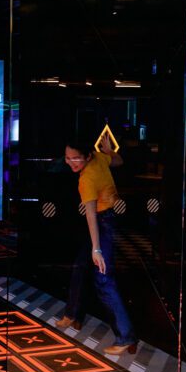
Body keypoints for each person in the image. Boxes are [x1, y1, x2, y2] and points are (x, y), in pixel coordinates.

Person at [57, 134, 139, 355]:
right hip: (109, 219)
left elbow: (91, 216)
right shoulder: (100, 159)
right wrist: (109, 151)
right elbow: (119, 161)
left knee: (103, 279)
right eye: (67, 158)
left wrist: (97, 249)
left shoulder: (87, 179)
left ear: (87, 156)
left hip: (103, 223)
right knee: (79, 266)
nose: (71, 162)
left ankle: (125, 337)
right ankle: (72, 313)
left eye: (76, 158)